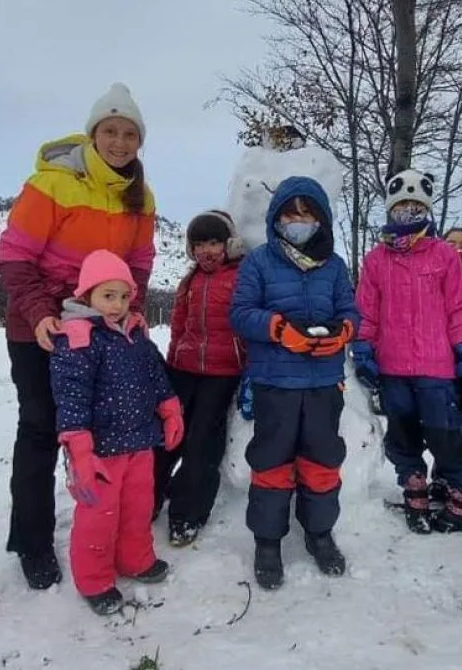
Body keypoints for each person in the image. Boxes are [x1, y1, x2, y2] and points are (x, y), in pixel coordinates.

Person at [0, 83, 156, 591]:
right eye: (110, 131)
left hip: (102, 331)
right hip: (41, 328)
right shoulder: (53, 184)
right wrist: (42, 313)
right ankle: (34, 542)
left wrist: (132, 307)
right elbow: (14, 255)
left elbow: (140, 263)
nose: (119, 141)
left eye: (129, 134)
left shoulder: (141, 196)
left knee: (106, 430)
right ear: (92, 134)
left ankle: (114, 530)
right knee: (42, 429)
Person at [229, 176, 359, 590]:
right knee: (271, 464)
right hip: (275, 383)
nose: (299, 221)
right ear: (275, 218)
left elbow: (351, 311)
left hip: (324, 383)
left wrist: (343, 334)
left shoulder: (335, 265)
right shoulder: (259, 262)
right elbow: (241, 313)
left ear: (320, 219)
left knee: (323, 463)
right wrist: (279, 328)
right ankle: (267, 541)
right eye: (290, 213)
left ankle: (319, 532)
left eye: (307, 214)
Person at [50, 250, 183, 615]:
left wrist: (170, 408)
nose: (118, 304)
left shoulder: (135, 334)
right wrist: (78, 447)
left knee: (138, 507)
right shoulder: (78, 338)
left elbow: (155, 375)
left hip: (139, 440)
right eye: (108, 295)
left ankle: (135, 559)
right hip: (100, 450)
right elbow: (72, 396)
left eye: (124, 296)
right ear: (87, 295)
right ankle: (94, 579)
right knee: (99, 515)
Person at [353, 171, 462, 534]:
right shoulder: (376, 260)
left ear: (426, 209)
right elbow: (366, 310)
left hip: (436, 366)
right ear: (390, 210)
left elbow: (460, 308)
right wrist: (363, 348)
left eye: (415, 206)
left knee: (445, 432)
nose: (408, 212)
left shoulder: (443, 255)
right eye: (401, 206)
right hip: (392, 366)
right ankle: (413, 483)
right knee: (403, 431)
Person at [157, 210, 246, 546]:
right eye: (199, 244)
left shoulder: (240, 276)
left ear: (228, 244)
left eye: (214, 242)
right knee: (165, 439)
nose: (207, 250)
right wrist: (172, 362)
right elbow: (178, 326)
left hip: (222, 373)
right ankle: (149, 499)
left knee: (201, 445)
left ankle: (187, 514)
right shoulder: (190, 280)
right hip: (183, 370)